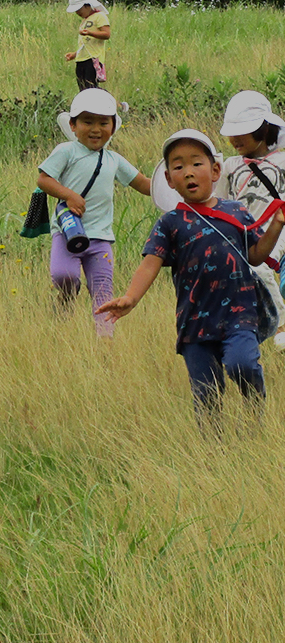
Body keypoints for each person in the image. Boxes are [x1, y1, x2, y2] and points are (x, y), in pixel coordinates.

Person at [96, 129, 285, 424]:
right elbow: (150, 263)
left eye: (197, 163)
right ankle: (212, 452)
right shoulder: (169, 223)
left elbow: (256, 256)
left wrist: (276, 226)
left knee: (242, 364)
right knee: (206, 393)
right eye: (178, 166)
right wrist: (130, 298)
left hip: (239, 314)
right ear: (169, 180)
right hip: (194, 322)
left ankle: (255, 413)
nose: (188, 172)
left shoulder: (236, 211)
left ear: (215, 170)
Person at [37, 88, 151, 336]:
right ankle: (67, 298)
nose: (96, 129)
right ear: (73, 125)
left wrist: (173, 187)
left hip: (101, 239)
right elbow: (44, 180)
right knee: (62, 275)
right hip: (68, 233)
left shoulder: (114, 160)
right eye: (87, 122)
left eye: (103, 122)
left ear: (113, 126)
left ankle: (104, 344)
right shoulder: (66, 151)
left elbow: (142, 183)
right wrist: (69, 195)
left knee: (103, 292)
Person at [216, 90, 285, 347]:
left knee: (260, 268)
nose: (234, 138)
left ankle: (281, 327)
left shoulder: (282, 161)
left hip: (277, 231)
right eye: (231, 132)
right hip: (243, 235)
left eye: (242, 131)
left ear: (263, 129)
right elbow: (218, 203)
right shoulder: (229, 166)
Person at [64, 0, 110, 91]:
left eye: (79, 8)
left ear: (87, 4)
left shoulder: (99, 16)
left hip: (92, 59)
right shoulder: (85, 21)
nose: (77, 12)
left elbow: (106, 34)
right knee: (83, 89)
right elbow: (86, 44)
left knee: (91, 88)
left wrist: (90, 33)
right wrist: (74, 54)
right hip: (81, 59)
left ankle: (116, 105)